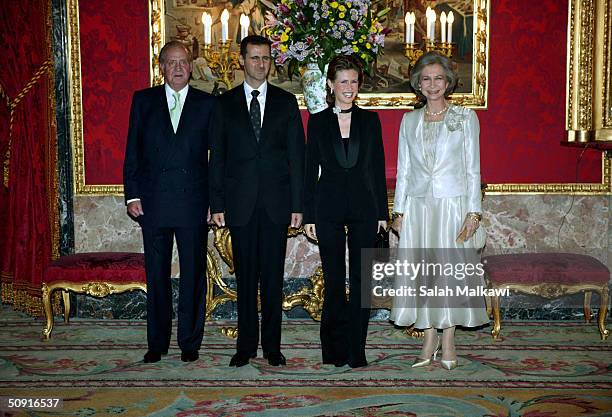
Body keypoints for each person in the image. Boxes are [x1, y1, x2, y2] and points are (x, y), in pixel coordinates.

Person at [209, 35, 305, 367]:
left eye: (266, 58)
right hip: (239, 204)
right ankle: (245, 346)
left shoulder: (286, 102)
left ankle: (272, 347)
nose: (260, 64)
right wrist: (217, 203)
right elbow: (217, 158)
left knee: (273, 278)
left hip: (277, 205)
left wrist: (298, 204)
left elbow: (297, 157)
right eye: (254, 58)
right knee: (246, 278)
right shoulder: (224, 104)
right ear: (242, 61)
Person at [390, 51, 488, 370]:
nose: (432, 85)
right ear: (418, 83)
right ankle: (429, 335)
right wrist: (399, 211)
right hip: (418, 208)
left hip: (451, 206)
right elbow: (404, 170)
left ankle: (448, 338)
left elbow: (473, 170)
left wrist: (474, 213)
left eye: (438, 79)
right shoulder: (409, 120)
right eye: (426, 79)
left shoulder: (464, 117)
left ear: (448, 82)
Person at [123, 41, 216, 364]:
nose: (178, 68)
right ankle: (157, 342)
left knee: (193, 276)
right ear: (160, 66)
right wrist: (132, 194)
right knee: (157, 275)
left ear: (191, 67)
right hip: (153, 202)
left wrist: (214, 201)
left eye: (183, 62)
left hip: (193, 202)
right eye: (171, 63)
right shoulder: (144, 101)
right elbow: (132, 149)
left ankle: (190, 342)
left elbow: (217, 159)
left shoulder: (207, 104)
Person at [304, 55, 389, 368]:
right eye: (343, 81)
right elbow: (308, 170)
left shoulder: (370, 121)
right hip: (327, 208)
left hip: (365, 208)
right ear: (330, 84)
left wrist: (382, 211)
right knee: (335, 282)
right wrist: (309, 214)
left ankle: (357, 351)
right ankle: (334, 351)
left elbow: (376, 169)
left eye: (354, 81)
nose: (349, 87)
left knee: (361, 282)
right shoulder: (317, 121)